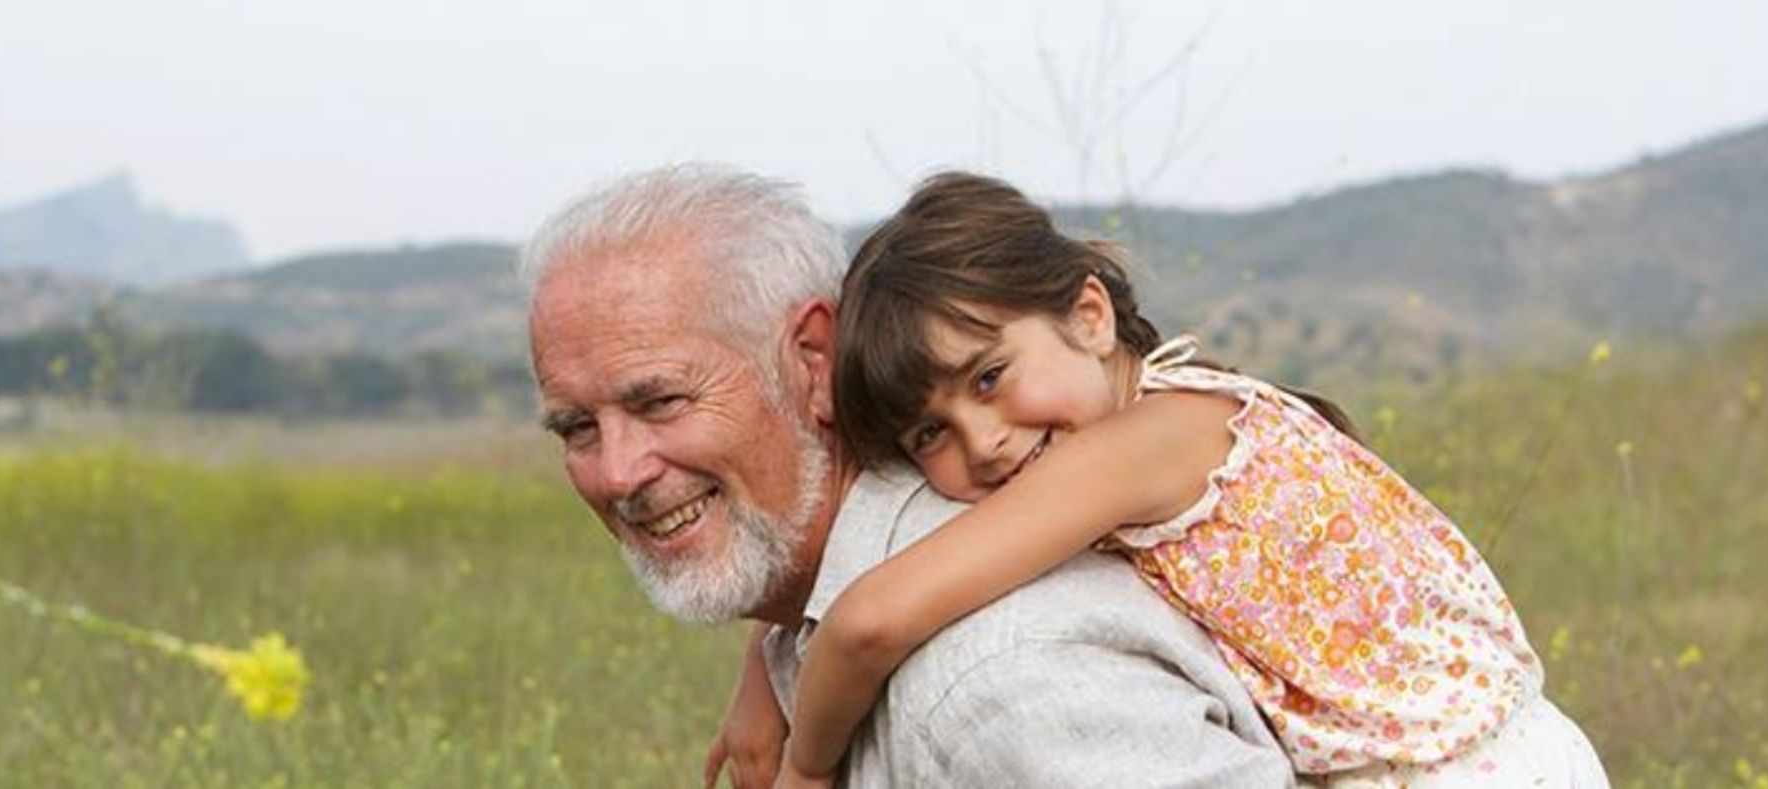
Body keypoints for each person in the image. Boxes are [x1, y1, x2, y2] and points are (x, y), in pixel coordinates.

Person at [758, 171, 1608, 787]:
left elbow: (870, 620)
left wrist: (805, 762)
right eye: (928, 430)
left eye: (989, 376)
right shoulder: (1161, 405)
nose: (983, 441)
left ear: (1089, 316)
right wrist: (764, 666)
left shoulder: (1138, 447)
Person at [523, 163, 1296, 786]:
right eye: (577, 428)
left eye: (660, 400)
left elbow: (879, 621)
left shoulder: (1000, 676)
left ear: (812, 362)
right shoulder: (847, 587)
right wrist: (766, 657)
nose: (620, 473)